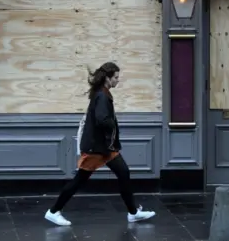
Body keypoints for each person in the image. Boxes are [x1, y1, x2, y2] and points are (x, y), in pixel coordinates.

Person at [44, 62, 156, 226]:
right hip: (96, 148)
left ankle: (133, 212)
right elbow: (102, 119)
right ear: (107, 78)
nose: (118, 81)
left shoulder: (102, 93)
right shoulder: (102, 96)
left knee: (123, 172)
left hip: (105, 148)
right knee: (79, 180)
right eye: (116, 77)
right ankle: (53, 211)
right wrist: (113, 124)